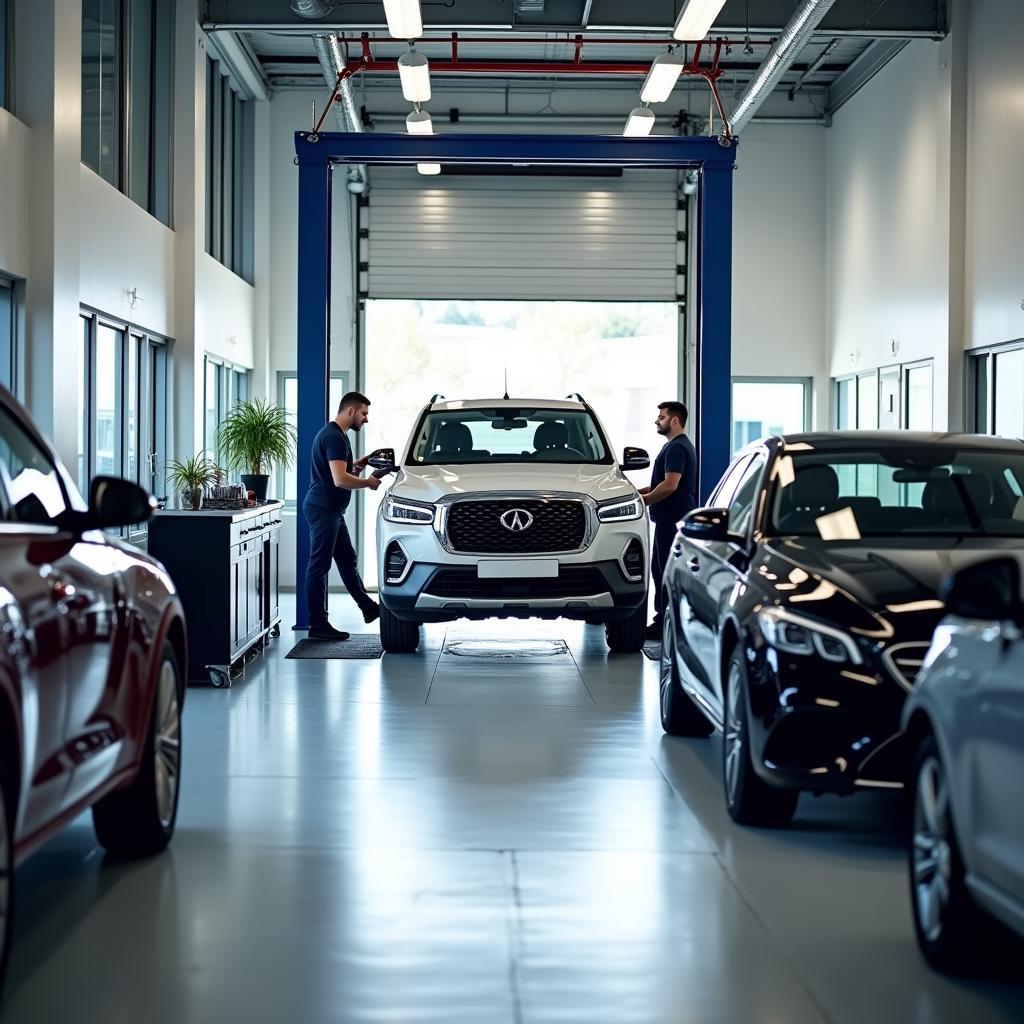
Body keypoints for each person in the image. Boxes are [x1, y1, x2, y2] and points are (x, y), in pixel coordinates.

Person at [303, 391, 382, 641]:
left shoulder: (336, 435)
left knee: (347, 559)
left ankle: (368, 608)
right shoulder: (335, 437)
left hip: (332, 509)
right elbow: (339, 479)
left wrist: (359, 463)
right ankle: (317, 625)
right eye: (364, 413)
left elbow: (337, 470)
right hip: (324, 508)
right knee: (319, 566)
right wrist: (367, 482)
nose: (366, 419)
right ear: (351, 411)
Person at [638, 401, 699, 640]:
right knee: (660, 569)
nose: (657, 421)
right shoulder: (678, 446)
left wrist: (645, 501)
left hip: (671, 519)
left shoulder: (676, 448)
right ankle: (663, 620)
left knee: (664, 572)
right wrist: (634, 493)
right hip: (670, 518)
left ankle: (663, 624)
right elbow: (659, 484)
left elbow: (670, 485)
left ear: (674, 420)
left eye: (661, 417)